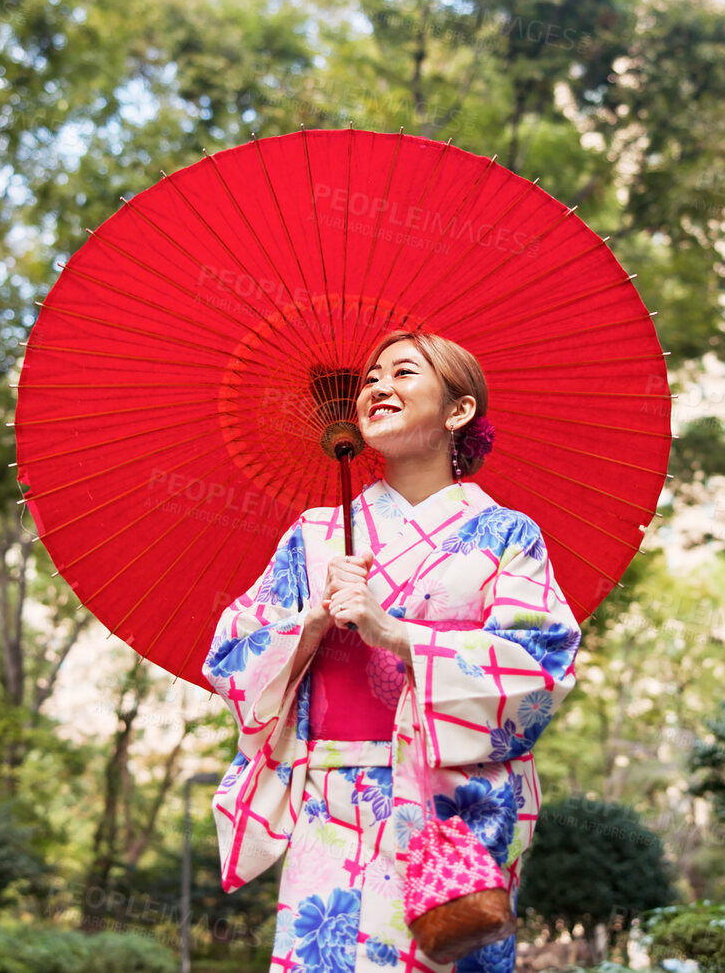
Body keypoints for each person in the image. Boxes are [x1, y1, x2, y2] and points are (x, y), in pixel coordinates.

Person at [203, 329, 582, 973]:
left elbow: (542, 661)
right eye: (371, 377)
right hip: (332, 794)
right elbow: (232, 655)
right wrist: (316, 617)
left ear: (458, 411)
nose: (377, 386)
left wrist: (394, 633)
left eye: (403, 373)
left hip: (453, 803)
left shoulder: (506, 534)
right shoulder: (317, 535)